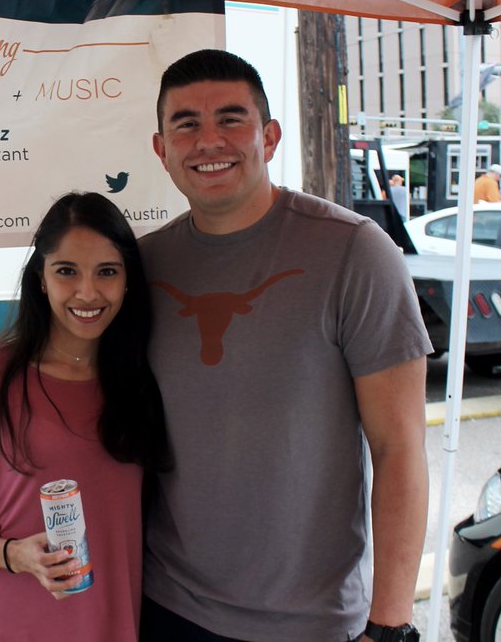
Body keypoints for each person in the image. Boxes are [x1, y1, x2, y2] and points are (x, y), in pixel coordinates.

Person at [139, 49, 431, 642]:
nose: (208, 140)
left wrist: (391, 623)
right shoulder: (141, 266)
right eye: (186, 124)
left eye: (231, 119)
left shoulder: (354, 252)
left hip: (310, 622)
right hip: (166, 604)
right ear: (161, 148)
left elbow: (398, 447)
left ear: (268, 137)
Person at [0, 191, 170, 642]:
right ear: (40, 279)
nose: (88, 292)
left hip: (116, 615)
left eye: (107, 272)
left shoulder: (141, 378)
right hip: (18, 618)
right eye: (66, 272)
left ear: (129, 281)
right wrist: (13, 554)